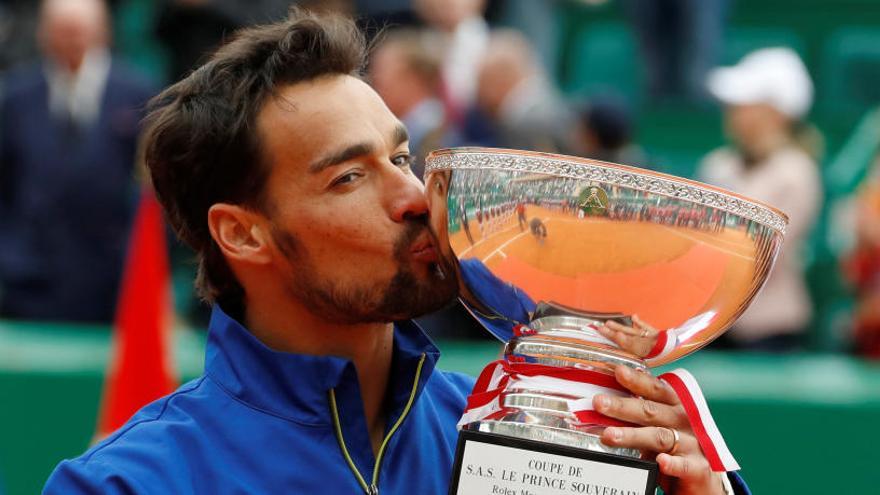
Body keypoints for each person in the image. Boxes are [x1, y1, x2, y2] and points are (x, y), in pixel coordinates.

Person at [46, 10, 745, 495]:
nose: (413, 195)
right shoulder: (128, 482)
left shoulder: (531, 429)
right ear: (243, 232)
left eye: (401, 155)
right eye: (349, 176)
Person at [0, 0, 155, 322]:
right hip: (29, 277)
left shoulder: (139, 94)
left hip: (111, 279)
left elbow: (154, 188)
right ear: (43, 34)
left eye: (80, 30)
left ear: (103, 31)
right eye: (62, 30)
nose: (72, 40)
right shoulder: (16, 97)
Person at [699, 47, 822, 352]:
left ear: (776, 113)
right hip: (715, 325)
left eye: (745, 104)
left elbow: (761, 253)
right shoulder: (718, 164)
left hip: (772, 331)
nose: (733, 110)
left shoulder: (798, 172)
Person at [368, 28, 460, 179]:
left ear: (412, 78)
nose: (375, 82)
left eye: (381, 72)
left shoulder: (440, 139)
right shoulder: (408, 130)